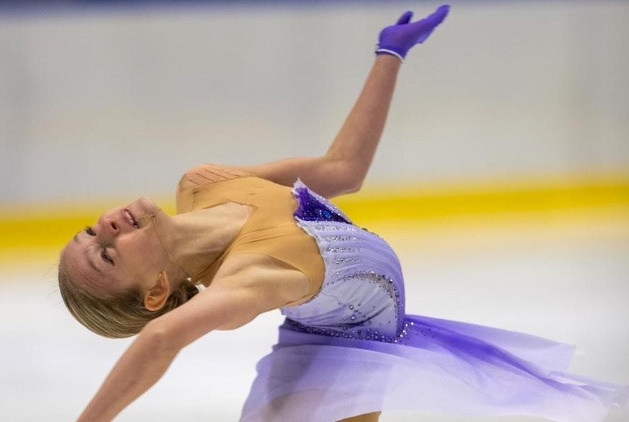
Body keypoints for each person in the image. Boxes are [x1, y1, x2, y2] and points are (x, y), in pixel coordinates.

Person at [58, 5, 627, 421]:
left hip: (345, 336)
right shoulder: (246, 282)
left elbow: (343, 168)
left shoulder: (203, 184)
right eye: (108, 256)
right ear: (157, 291)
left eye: (90, 232)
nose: (106, 228)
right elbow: (161, 341)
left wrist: (390, 54)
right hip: (346, 352)